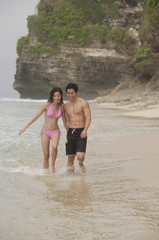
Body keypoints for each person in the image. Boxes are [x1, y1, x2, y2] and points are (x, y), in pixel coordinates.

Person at [19, 87, 63, 173]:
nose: (57, 98)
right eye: (55, 96)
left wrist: (70, 129)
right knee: (46, 155)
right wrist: (25, 127)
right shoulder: (47, 105)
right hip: (45, 132)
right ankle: (45, 173)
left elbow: (66, 120)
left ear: (61, 96)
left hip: (55, 131)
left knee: (54, 147)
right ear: (52, 96)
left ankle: (53, 166)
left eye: (58, 96)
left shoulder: (62, 107)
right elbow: (36, 117)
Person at [63, 83, 91, 174]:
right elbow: (65, 119)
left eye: (72, 93)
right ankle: (71, 180)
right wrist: (67, 130)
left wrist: (85, 130)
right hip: (70, 131)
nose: (70, 95)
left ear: (76, 92)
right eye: (68, 93)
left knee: (80, 156)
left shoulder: (83, 103)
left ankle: (81, 163)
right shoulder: (66, 106)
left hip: (81, 131)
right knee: (70, 157)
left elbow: (88, 117)